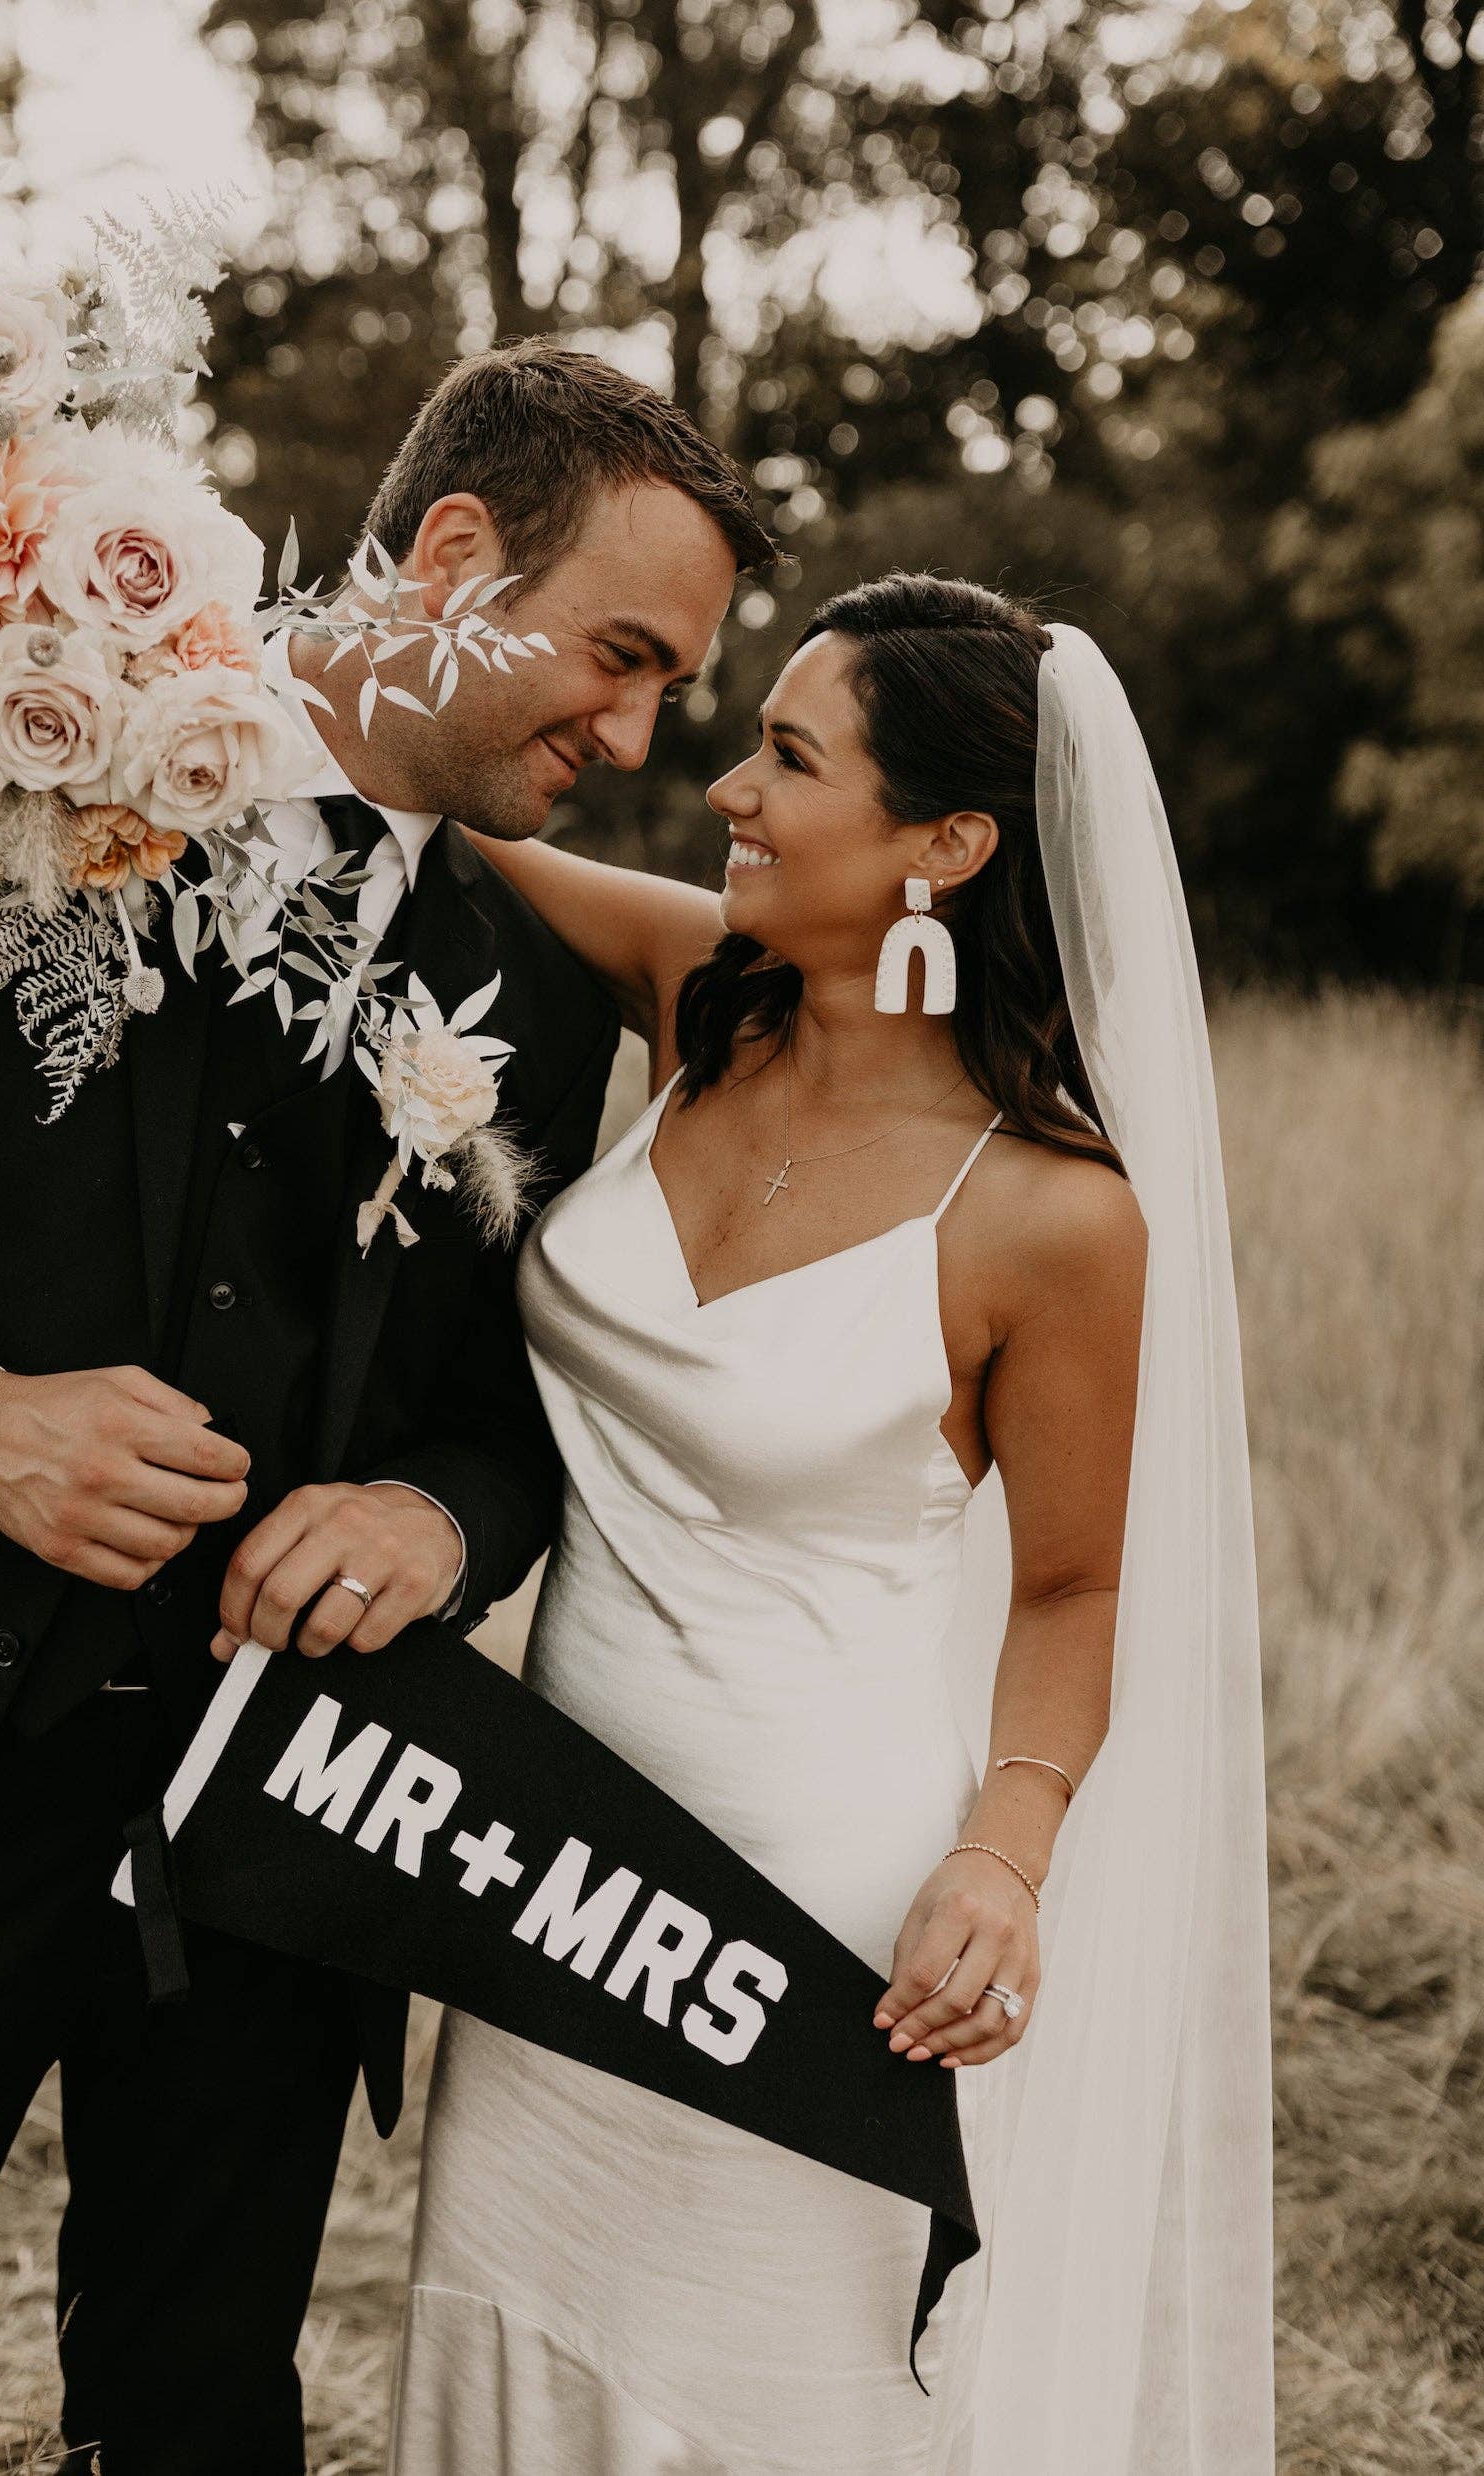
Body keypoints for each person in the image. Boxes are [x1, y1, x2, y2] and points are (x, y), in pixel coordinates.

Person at [0, 341, 774, 2476]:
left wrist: (437, 1519)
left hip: (274, 1834)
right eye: (614, 657)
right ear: (445, 556)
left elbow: (505, 1402)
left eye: (667, 692)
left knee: (200, 2426)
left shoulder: (527, 973)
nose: (628, 737)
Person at [390, 576, 1275, 2474]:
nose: (723, 788)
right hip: (548, 1877)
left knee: (763, 2402)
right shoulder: (696, 997)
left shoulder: (1052, 1216)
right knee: (519, 2353)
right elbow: (396, 815)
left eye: (789, 757)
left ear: (945, 845)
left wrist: (1006, 1859)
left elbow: (1075, 1584)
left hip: (816, 1919)